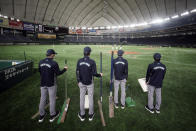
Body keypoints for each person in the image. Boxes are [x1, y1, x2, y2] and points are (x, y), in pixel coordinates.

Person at [38, 49, 68, 123]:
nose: (54, 55)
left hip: (43, 83)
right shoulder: (54, 63)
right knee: (52, 99)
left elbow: (40, 71)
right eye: (54, 54)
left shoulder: (40, 62)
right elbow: (58, 73)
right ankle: (52, 115)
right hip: (51, 83)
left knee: (42, 99)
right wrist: (64, 69)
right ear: (51, 55)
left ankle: (41, 115)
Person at [76, 47, 102, 121]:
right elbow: (94, 73)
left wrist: (78, 81)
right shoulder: (92, 61)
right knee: (90, 98)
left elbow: (77, 72)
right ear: (89, 53)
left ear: (83, 52)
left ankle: (82, 115)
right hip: (90, 83)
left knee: (82, 98)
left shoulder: (79, 61)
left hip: (81, 82)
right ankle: (91, 115)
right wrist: (99, 75)